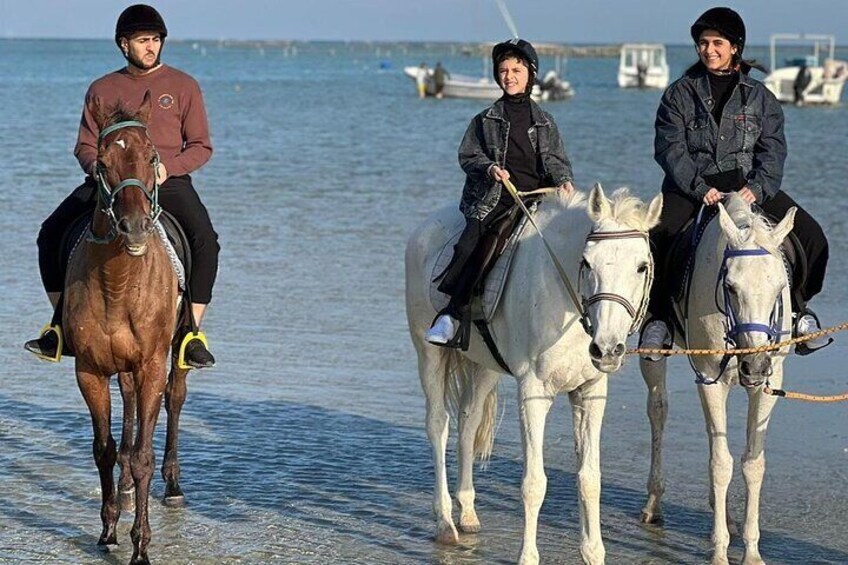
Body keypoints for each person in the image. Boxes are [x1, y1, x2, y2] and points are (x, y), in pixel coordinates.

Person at [25, 4, 220, 368]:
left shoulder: (183, 86)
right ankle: (60, 327)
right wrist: (99, 171)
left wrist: (166, 169)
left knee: (206, 239)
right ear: (123, 44)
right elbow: (85, 144)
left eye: (156, 40)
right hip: (109, 182)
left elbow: (201, 146)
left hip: (165, 180)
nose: (151, 47)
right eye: (143, 40)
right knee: (50, 233)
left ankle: (191, 333)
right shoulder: (102, 88)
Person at [641, 7, 831, 359]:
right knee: (655, 238)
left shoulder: (762, 97)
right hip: (690, 188)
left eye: (717, 42)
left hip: (747, 185)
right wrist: (700, 189)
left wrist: (757, 188)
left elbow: (773, 151)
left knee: (812, 235)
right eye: (702, 43)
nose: (708, 49)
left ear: (735, 47)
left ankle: (799, 311)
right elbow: (669, 149)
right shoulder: (677, 94)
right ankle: (659, 319)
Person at [426, 38, 575, 346]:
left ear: (530, 74)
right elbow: (468, 155)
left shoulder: (546, 122)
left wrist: (564, 180)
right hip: (495, 198)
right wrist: (490, 169)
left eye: (516, 70)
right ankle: (451, 314)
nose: (509, 76)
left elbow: (558, 162)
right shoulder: (484, 119)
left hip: (537, 198)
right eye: (503, 70)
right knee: (471, 246)